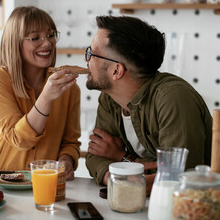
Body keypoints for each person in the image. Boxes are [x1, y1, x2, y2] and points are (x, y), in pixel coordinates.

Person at [85, 15, 212, 194]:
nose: (86, 61)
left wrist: (123, 159)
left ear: (116, 70)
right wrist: (127, 176)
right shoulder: (109, 98)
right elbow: (94, 157)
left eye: (91, 54)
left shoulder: (173, 98)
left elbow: (176, 177)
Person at [0, 6, 81, 180]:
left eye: (51, 35)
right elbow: (18, 139)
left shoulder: (69, 88)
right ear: (15, 42)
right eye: (35, 38)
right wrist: (46, 97)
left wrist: (66, 160)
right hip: (0, 183)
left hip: (45, 182)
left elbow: (70, 143)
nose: (47, 43)